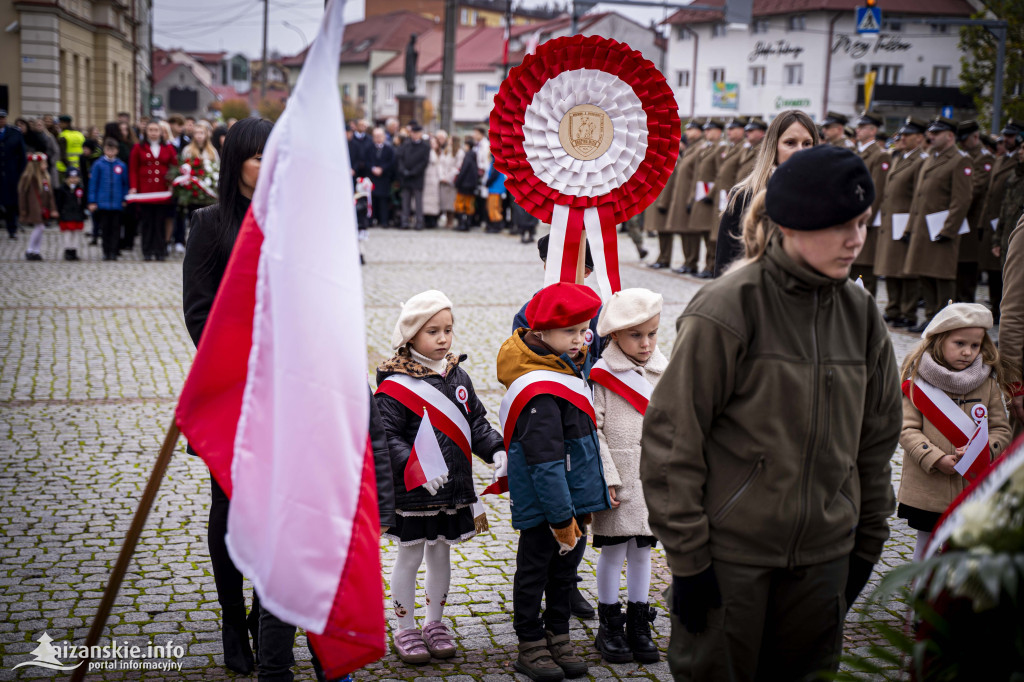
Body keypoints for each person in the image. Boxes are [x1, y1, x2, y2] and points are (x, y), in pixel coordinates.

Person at [641, 145, 901, 681]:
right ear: (793, 223)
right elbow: (672, 441)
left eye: (862, 224)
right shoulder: (727, 307)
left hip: (824, 561)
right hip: (731, 561)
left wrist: (865, 547)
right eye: (840, 225)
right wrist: (689, 564)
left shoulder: (861, 315)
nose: (856, 239)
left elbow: (875, 444)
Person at [183, 117, 274, 676]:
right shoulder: (210, 224)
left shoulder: (291, 223)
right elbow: (198, 314)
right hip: (232, 391)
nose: (267, 166)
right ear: (236, 160)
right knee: (230, 508)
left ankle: (269, 614)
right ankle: (230, 618)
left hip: (285, 394)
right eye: (258, 156)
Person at [374, 289, 505, 665]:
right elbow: (386, 437)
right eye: (433, 331)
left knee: (441, 555)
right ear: (411, 335)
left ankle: (435, 623)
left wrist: (495, 448)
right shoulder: (394, 386)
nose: (444, 338)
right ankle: (405, 627)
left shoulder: (456, 374)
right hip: (415, 491)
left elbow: (474, 422)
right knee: (409, 557)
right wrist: (413, 465)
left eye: (448, 329)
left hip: (452, 489)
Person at [496, 282, 611, 682]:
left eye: (584, 331)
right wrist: (563, 518)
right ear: (542, 334)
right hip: (548, 506)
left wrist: (583, 503)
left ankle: (557, 634)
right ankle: (530, 643)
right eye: (572, 333)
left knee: (564, 573)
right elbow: (545, 464)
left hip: (569, 501)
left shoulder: (561, 363)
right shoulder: (540, 388)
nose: (581, 340)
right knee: (534, 573)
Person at [897, 302, 1012, 561]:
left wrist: (982, 451)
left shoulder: (988, 384)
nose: (968, 352)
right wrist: (935, 457)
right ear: (939, 341)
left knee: (963, 546)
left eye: (975, 345)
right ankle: (919, 592)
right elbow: (906, 429)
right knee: (925, 544)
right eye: (959, 343)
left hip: (972, 483)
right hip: (930, 484)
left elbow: (1001, 430)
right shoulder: (918, 382)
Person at [589, 288, 666, 665]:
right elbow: (595, 431)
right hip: (619, 479)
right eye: (636, 335)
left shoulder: (663, 372)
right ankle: (609, 624)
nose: (646, 343)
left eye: (652, 333)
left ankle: (639, 621)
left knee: (642, 551)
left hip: (652, 480)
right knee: (613, 551)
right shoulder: (602, 376)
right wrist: (608, 476)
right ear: (614, 335)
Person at [714, 109, 818, 276]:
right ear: (774, 146)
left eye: (807, 144)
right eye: (790, 143)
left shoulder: (825, 196)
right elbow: (725, 266)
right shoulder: (745, 196)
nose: (800, 151)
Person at [902, 116, 973, 333]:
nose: (930, 136)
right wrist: (909, 227)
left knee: (942, 277)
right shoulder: (930, 159)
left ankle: (946, 320)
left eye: (936, 133)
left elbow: (961, 200)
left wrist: (948, 229)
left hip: (942, 229)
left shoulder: (959, 160)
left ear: (950, 136)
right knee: (924, 272)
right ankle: (932, 316)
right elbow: (918, 197)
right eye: (930, 132)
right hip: (924, 228)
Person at [874, 117, 929, 328]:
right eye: (901, 134)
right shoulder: (900, 157)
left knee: (906, 270)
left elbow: (918, 194)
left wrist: (911, 224)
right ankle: (893, 308)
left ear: (919, 138)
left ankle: (908, 312)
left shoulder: (920, 160)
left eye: (907, 135)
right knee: (890, 266)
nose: (901, 138)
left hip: (906, 219)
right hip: (892, 219)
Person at [849, 111, 889, 296]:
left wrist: (866, 218)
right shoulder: (857, 152)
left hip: (865, 218)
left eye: (862, 127)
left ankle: (866, 309)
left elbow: (877, 190)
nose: (857, 130)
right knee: (852, 264)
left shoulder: (879, 155)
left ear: (873, 130)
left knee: (864, 268)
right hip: (851, 215)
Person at [956, 120, 993, 304]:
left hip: (971, 223)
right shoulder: (963, 156)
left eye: (965, 139)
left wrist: (955, 203)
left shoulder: (984, 159)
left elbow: (975, 189)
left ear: (976, 137)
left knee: (966, 273)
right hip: (958, 221)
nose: (962, 143)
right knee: (956, 271)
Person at [129, 120, 177, 261]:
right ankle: (147, 251)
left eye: (156, 130)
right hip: (145, 191)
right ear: (146, 132)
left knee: (160, 221)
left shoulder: (169, 148)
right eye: (151, 130)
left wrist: (172, 184)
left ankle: (160, 250)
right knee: (147, 221)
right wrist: (133, 187)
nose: (153, 133)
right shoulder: (138, 148)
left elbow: (174, 168)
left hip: (162, 191)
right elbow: (133, 170)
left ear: (161, 133)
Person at [686, 118, 726, 277]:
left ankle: (710, 266)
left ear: (718, 131)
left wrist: (711, 194)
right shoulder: (708, 148)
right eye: (706, 130)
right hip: (701, 195)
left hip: (712, 197)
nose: (707, 132)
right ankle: (706, 265)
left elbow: (720, 174)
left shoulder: (721, 148)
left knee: (712, 234)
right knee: (704, 231)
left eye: (711, 130)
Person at [88, 137, 130, 260]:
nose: (110, 152)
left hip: (117, 204)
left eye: (113, 149)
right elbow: (93, 184)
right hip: (103, 203)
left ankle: (114, 251)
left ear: (117, 150)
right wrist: (92, 201)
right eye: (108, 149)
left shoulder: (121, 165)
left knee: (116, 229)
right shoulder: (98, 165)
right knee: (105, 229)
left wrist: (124, 199)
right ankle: (106, 251)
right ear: (104, 150)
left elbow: (125, 184)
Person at [18, 152, 57, 260]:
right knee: (39, 227)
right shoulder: (28, 177)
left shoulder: (45, 177)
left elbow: (50, 195)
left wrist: (53, 208)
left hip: (43, 208)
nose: (46, 166)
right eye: (44, 164)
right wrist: (23, 210)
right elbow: (22, 195)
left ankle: (36, 250)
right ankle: (30, 250)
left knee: (41, 227)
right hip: (34, 208)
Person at [396, 121, 430, 230]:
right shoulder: (406, 144)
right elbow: (400, 158)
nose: (414, 135)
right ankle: (404, 221)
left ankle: (419, 222)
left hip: (417, 177)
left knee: (418, 201)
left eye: (417, 133)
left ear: (420, 134)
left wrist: (413, 172)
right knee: (405, 201)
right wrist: (403, 170)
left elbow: (424, 162)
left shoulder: (425, 146)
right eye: (413, 133)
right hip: (405, 177)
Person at [0, 109, 28, 239]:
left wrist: (21, 173)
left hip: (11, 174)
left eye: (3, 118)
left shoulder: (14, 133)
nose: (1, 120)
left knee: (11, 203)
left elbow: (22, 155)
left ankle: (12, 229)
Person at [54, 167, 87, 260]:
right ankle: (68, 250)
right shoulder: (62, 189)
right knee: (68, 234)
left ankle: (74, 250)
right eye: (71, 177)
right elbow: (59, 202)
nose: (74, 180)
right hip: (66, 214)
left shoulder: (80, 189)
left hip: (77, 214)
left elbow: (83, 202)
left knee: (76, 234)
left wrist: (84, 212)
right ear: (67, 178)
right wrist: (59, 213)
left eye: (76, 177)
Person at [367, 127, 395, 227]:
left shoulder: (389, 149)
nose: (378, 138)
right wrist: (372, 168)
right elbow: (366, 161)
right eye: (376, 136)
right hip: (372, 178)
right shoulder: (369, 148)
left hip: (384, 178)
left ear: (384, 137)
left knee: (383, 201)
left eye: (379, 136)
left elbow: (391, 162)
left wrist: (382, 169)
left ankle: (384, 221)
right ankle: (371, 220)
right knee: (372, 200)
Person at [453, 138, 478, 231]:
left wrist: (457, 182)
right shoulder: (474, 156)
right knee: (469, 204)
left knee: (460, 204)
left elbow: (463, 171)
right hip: (471, 185)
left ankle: (462, 224)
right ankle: (468, 223)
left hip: (464, 185)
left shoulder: (467, 156)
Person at [421, 134, 441, 228]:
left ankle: (434, 219)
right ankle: (427, 220)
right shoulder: (428, 152)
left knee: (435, 201)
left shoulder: (440, 152)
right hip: (428, 178)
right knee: (426, 201)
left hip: (435, 178)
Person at [485, 154, 506, 233]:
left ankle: (496, 226)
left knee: (493, 208)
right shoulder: (499, 159)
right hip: (498, 188)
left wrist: (487, 183)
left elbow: (494, 174)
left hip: (495, 188)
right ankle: (496, 225)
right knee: (496, 207)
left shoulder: (496, 161)